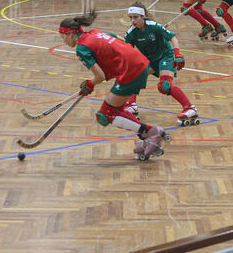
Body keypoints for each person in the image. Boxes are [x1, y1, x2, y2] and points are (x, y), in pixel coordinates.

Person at [59, 11, 171, 159]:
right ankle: (147, 136)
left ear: (71, 34)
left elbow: (100, 76)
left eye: (63, 37)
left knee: (105, 115)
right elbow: (121, 40)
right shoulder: (95, 33)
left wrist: (89, 84)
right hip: (139, 63)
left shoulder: (82, 48)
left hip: (131, 70)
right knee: (116, 110)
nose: (63, 41)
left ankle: (151, 132)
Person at [124, 2, 198, 125]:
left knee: (164, 85)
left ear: (143, 16)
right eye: (130, 17)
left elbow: (173, 38)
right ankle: (132, 105)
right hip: (150, 60)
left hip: (165, 56)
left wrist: (178, 54)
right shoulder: (130, 33)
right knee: (133, 76)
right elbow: (127, 52)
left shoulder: (154, 26)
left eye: (135, 17)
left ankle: (190, 108)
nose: (133, 20)